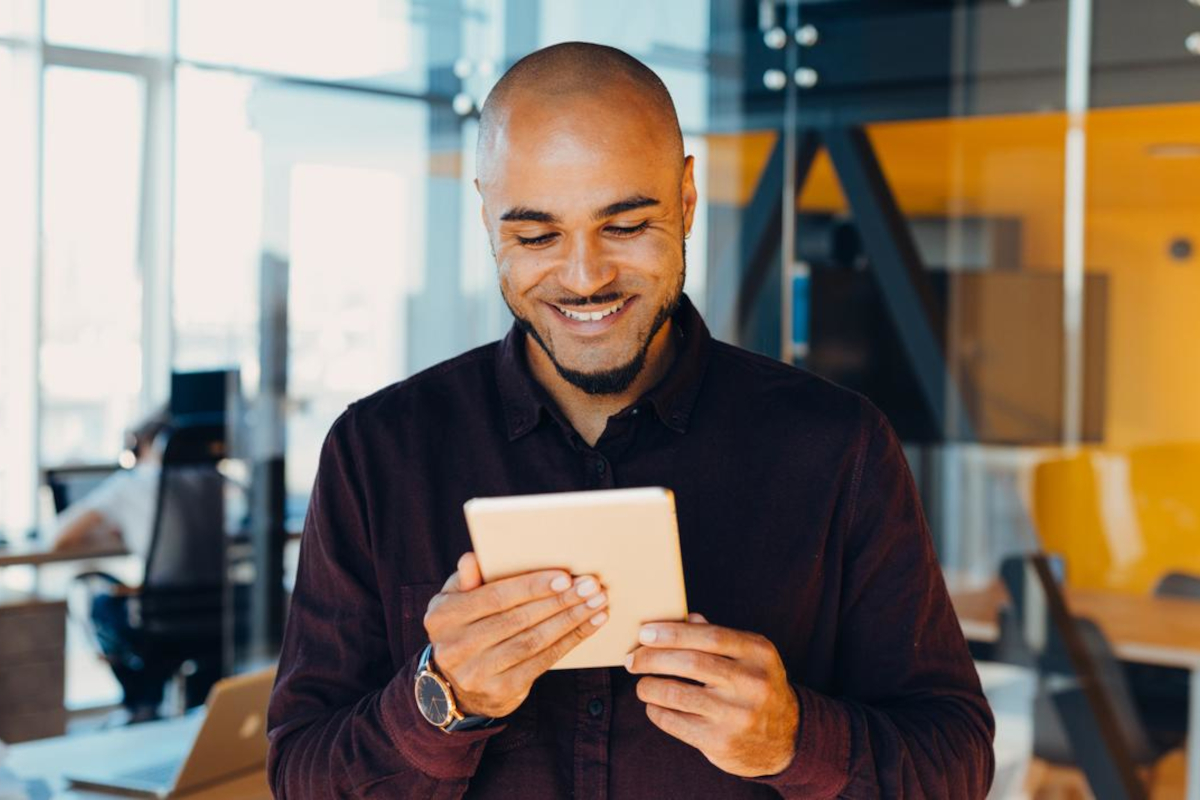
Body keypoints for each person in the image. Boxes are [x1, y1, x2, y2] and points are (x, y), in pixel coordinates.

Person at [268, 42, 995, 798]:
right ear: (487, 215)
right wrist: (442, 698)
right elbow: (300, 779)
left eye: (624, 225)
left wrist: (794, 740)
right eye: (536, 235)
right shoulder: (377, 453)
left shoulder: (837, 448)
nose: (585, 278)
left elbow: (956, 764)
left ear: (685, 199)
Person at [52, 408, 171, 561]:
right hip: (208, 584)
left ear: (139, 448)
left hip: (162, 584)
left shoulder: (127, 484)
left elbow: (60, 539)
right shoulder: (205, 480)